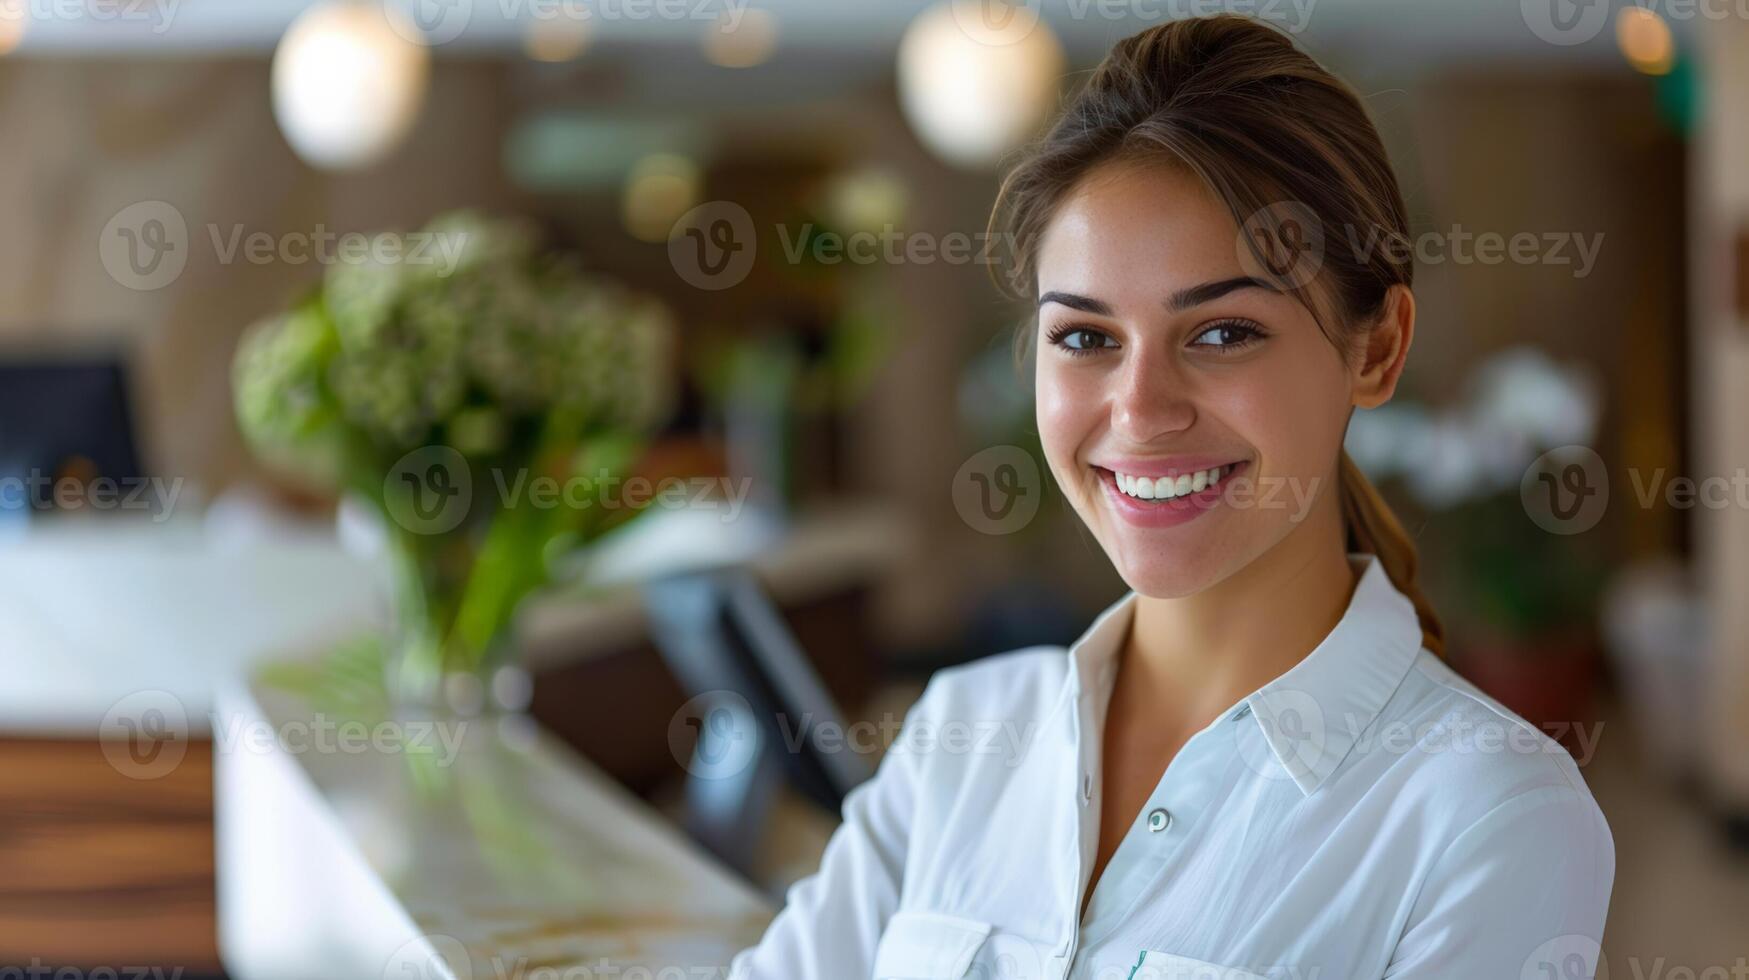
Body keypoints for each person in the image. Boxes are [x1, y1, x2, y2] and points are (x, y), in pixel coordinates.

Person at [729, 14, 1614, 979]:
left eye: (1224, 332)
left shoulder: (1490, 816)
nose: (1140, 411)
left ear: (1377, 348)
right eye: (1085, 337)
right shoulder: (961, 737)